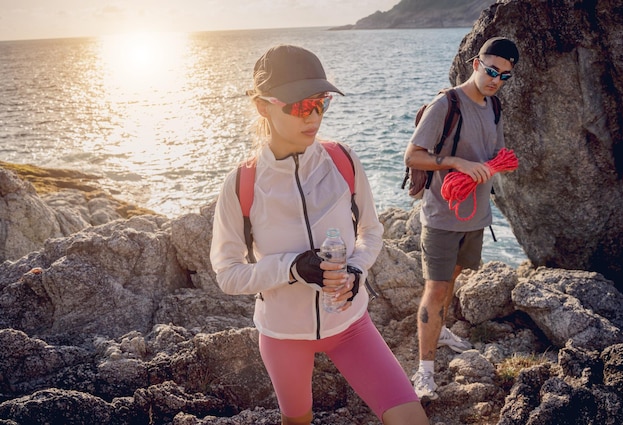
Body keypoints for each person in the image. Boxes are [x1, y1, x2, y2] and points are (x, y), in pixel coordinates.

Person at [210, 44, 429, 425]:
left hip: (351, 327)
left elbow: (371, 232)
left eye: (321, 102)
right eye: (298, 106)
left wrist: (358, 270)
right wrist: (292, 267)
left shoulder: (342, 160)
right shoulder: (242, 184)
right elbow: (228, 274)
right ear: (263, 106)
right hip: (283, 335)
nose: (312, 116)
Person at [403, 37, 520, 401]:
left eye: (504, 75)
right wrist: (456, 163)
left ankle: (439, 328)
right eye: (491, 71)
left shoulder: (494, 107)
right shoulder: (446, 104)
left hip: (475, 217)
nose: (495, 79)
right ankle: (424, 371)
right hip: (441, 217)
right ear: (475, 64)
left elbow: (494, 152)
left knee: (453, 277)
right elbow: (412, 155)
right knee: (436, 289)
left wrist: (497, 162)